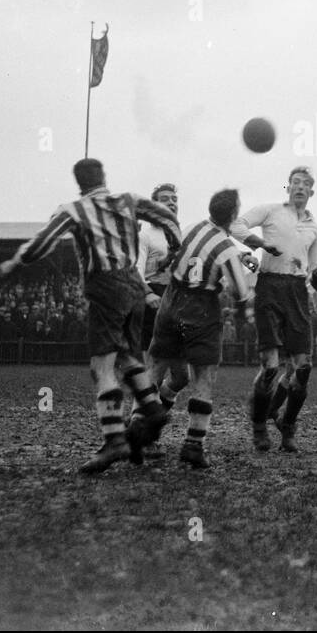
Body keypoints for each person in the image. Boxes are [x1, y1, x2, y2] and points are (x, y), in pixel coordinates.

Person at [0, 158, 181, 474]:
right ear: (103, 177)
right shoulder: (129, 199)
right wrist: (173, 253)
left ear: (79, 182)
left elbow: (42, 243)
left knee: (102, 366)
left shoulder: (73, 209)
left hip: (105, 286)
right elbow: (168, 219)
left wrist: (17, 260)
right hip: (133, 286)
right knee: (127, 355)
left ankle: (114, 441)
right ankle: (152, 407)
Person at [229, 166, 317, 453]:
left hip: (296, 293)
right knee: (270, 367)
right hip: (269, 288)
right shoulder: (270, 211)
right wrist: (260, 243)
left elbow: (313, 271)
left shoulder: (314, 229)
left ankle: (287, 425)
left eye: (305, 183)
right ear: (288, 187)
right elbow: (236, 225)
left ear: (311, 191)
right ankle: (258, 426)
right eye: (295, 182)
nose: (300, 187)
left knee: (303, 368)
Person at [149, 188, 253, 468]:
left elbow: (175, 253)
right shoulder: (226, 248)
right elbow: (240, 292)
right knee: (203, 376)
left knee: (157, 366)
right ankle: (194, 443)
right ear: (232, 215)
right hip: (201, 308)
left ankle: (139, 429)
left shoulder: (193, 227)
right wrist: (244, 312)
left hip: (171, 300)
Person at [133, 182, 182, 461]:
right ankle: (144, 434)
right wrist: (148, 294)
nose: (171, 203)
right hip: (153, 301)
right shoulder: (145, 235)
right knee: (155, 370)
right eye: (165, 199)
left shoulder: (180, 236)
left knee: (182, 376)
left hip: (178, 303)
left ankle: (149, 418)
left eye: (174, 199)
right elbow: (136, 270)